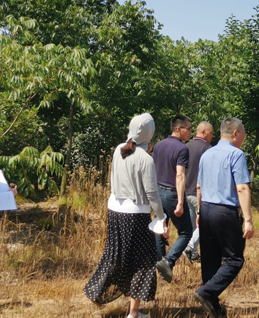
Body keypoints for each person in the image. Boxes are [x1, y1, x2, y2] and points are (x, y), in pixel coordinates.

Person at [84, 113, 167, 318]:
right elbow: (152, 194)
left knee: (116, 256)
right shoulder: (145, 158)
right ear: (151, 134)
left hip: (114, 209)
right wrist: (161, 217)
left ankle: (97, 290)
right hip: (135, 214)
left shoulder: (118, 150)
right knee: (143, 262)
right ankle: (134, 313)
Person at [194, 117, 254, 318]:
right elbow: (242, 187)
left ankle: (213, 305)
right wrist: (248, 219)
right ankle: (206, 292)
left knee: (210, 259)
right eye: (243, 135)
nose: (243, 139)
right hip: (225, 211)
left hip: (208, 209)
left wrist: (200, 212)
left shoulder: (207, 154)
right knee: (234, 259)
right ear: (235, 133)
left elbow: (199, 187)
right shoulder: (236, 155)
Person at [152, 115, 192, 283]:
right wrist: (181, 202)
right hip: (171, 195)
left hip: (157, 193)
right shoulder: (182, 149)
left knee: (160, 228)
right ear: (178, 129)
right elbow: (180, 176)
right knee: (186, 232)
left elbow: (152, 171)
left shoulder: (158, 145)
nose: (189, 132)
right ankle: (168, 261)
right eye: (188, 129)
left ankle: (159, 265)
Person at [183, 121, 214, 264]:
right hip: (199, 193)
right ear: (203, 132)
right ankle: (189, 247)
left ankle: (193, 254)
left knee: (193, 226)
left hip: (186, 192)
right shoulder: (207, 149)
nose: (212, 136)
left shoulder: (185, 147)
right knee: (205, 224)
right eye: (211, 133)